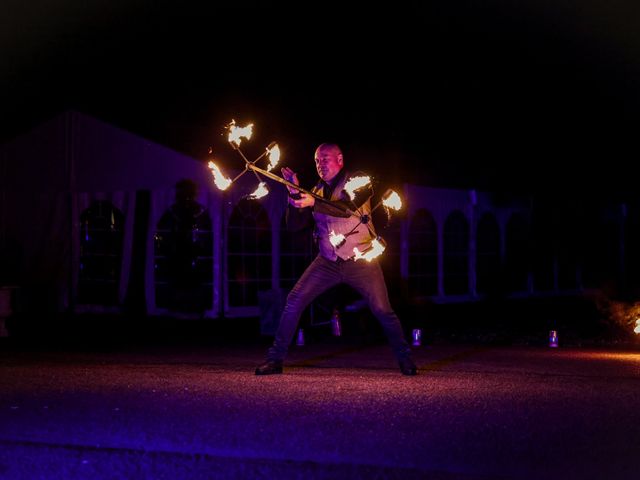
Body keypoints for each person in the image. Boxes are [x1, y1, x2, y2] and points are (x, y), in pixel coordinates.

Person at [255, 143, 417, 376]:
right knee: (294, 300)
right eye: (317, 161)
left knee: (383, 310)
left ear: (340, 159)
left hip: (361, 261)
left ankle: (406, 360)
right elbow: (293, 226)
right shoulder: (316, 191)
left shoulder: (359, 180)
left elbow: (346, 208)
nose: (320, 164)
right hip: (327, 262)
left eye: (325, 159)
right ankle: (275, 360)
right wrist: (293, 194)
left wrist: (312, 202)